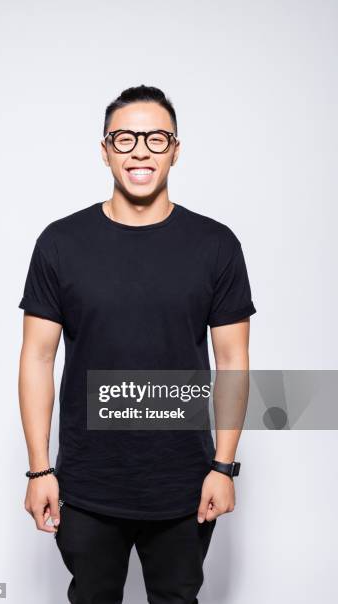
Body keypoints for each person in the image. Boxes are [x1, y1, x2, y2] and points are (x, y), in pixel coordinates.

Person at [18, 84, 257, 604]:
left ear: (176, 149)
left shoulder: (216, 245)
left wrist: (223, 466)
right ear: (104, 150)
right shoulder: (60, 243)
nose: (141, 150)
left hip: (185, 485)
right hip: (86, 485)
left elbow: (233, 361)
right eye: (124, 138)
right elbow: (37, 358)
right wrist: (39, 469)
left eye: (156, 138)